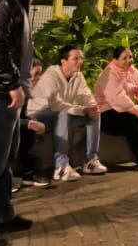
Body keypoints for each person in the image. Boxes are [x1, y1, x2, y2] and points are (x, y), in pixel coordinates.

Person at [0, 0, 41, 246]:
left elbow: (15, 44)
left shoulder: (17, 3)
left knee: (5, 159)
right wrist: (10, 84)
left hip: (7, 94)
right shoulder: (3, 2)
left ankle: (2, 215)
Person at [28, 45, 106, 179]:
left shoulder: (78, 76)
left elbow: (85, 95)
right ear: (63, 61)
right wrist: (82, 109)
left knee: (94, 115)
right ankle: (61, 166)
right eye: (75, 58)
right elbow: (55, 105)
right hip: (38, 114)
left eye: (81, 58)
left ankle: (91, 160)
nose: (80, 61)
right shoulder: (51, 75)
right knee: (63, 113)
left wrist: (92, 107)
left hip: (60, 115)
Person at [95, 46, 138, 170]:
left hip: (124, 110)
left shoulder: (134, 72)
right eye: (124, 58)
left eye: (130, 57)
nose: (128, 60)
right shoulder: (108, 74)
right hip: (106, 114)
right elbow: (119, 99)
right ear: (115, 60)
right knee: (133, 118)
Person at [14, 60, 49, 189]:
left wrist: (32, 121)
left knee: (30, 130)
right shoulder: (12, 90)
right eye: (35, 73)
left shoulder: (25, 92)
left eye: (39, 74)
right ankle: (12, 176)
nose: (37, 78)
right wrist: (28, 123)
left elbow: (21, 116)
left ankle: (27, 174)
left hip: (14, 124)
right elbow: (2, 118)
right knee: (19, 131)